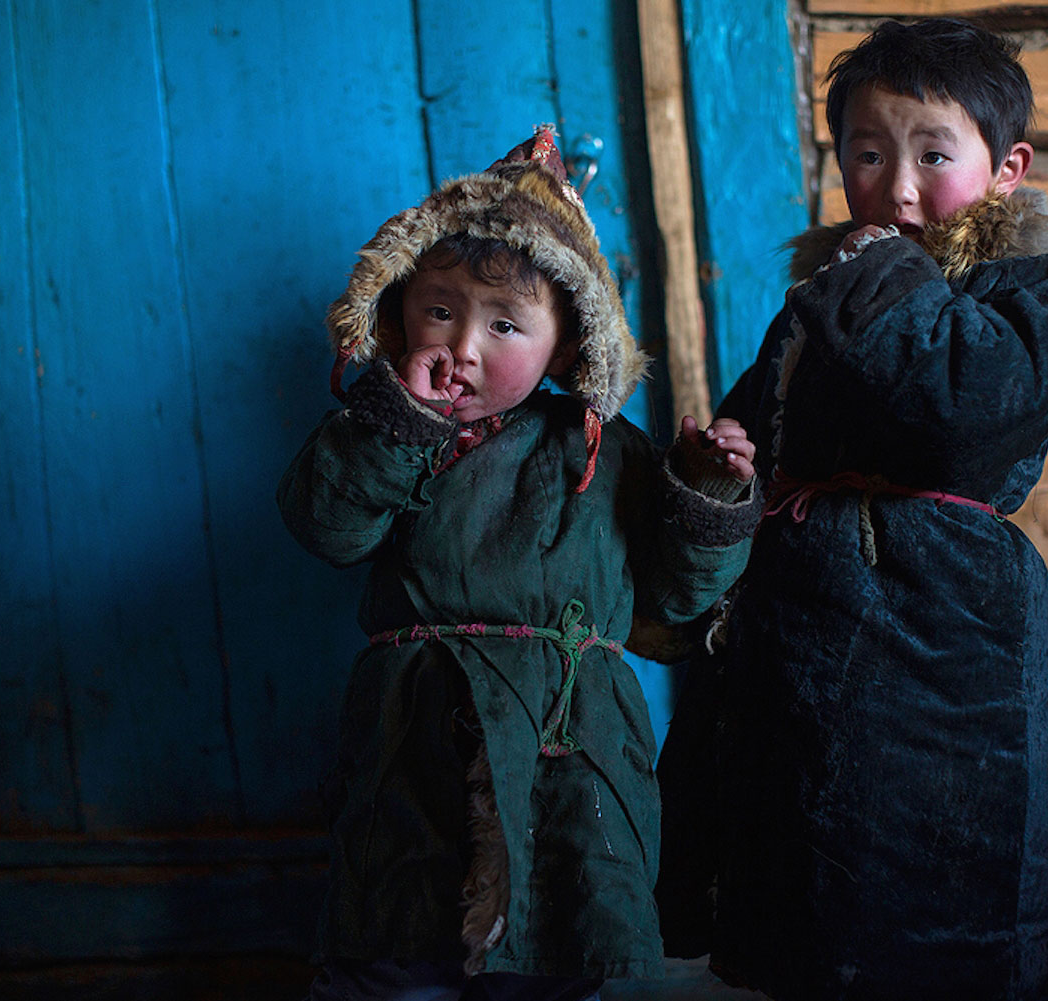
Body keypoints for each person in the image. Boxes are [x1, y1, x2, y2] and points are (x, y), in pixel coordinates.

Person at [654, 18, 1048, 1001]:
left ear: (1007, 166)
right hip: (794, 632)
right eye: (866, 152)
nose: (896, 186)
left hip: (940, 642)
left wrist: (878, 280)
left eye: (933, 154)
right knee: (804, 904)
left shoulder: (1032, 293)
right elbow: (762, 431)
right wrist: (722, 467)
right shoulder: (816, 301)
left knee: (929, 903)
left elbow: (960, 411)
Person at [278, 127, 760, 1001]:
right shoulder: (381, 425)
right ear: (396, 312)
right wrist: (398, 426)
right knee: (395, 945)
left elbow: (669, 612)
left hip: (567, 748)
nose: (463, 345)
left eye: (504, 323)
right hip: (415, 735)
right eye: (439, 310)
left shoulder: (609, 453)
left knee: (555, 945)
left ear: (569, 345)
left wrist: (706, 492)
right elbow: (329, 528)